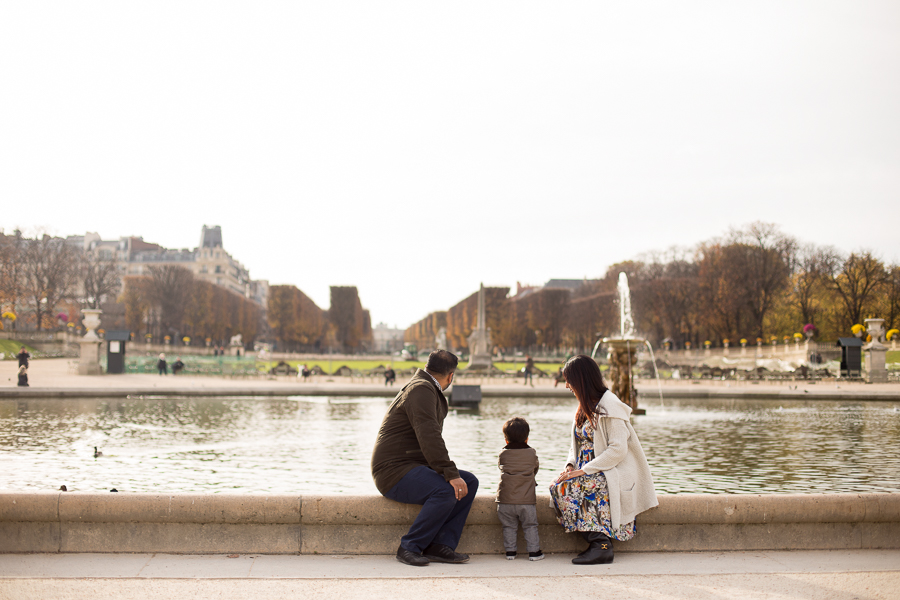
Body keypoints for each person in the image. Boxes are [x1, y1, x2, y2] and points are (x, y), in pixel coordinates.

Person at [371, 350, 478, 567]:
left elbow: (428, 438)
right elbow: (429, 436)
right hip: (393, 471)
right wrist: (450, 473)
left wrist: (452, 474)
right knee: (447, 489)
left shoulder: (423, 386)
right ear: (451, 376)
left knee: (469, 482)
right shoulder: (421, 389)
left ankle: (439, 545)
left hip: (408, 465)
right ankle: (409, 546)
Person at [549, 355, 658, 565]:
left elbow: (617, 450)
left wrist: (584, 470)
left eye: (568, 380)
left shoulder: (610, 406)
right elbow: (576, 446)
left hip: (611, 470)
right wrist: (571, 464)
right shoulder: (584, 405)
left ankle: (602, 545)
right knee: (558, 486)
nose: (566, 386)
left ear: (581, 379)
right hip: (590, 469)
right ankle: (597, 543)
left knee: (568, 488)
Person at [497, 416, 542, 561]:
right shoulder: (531, 453)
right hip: (526, 500)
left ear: (506, 440)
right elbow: (535, 468)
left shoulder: (503, 454)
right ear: (527, 438)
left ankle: (510, 552)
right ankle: (534, 553)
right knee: (530, 526)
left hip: (505, 500)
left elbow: (500, 467)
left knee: (508, 527)